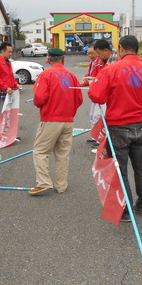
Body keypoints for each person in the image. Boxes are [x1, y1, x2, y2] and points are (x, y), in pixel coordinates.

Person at [88, 35, 142, 222]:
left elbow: (96, 96)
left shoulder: (111, 70)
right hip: (140, 126)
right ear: (137, 50)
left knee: (120, 170)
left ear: (120, 48)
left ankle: (126, 210)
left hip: (118, 126)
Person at [29, 48, 84, 195]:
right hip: (68, 120)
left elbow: (39, 98)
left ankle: (44, 182)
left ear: (48, 59)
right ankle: (61, 185)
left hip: (51, 119)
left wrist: (40, 104)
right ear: (63, 59)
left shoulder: (46, 74)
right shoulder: (72, 76)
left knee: (40, 151)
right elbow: (79, 99)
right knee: (62, 154)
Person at [0, 42, 22, 113]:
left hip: (10, 91)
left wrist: (16, 84)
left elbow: (11, 76)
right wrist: (6, 88)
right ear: (3, 51)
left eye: (11, 52)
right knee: (4, 115)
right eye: (9, 52)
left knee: (10, 114)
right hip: (3, 91)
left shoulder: (8, 62)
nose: (10, 54)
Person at [80, 44, 100, 143]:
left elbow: (97, 77)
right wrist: (85, 79)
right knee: (92, 115)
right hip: (94, 92)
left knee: (97, 116)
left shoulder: (100, 63)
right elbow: (90, 75)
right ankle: (94, 136)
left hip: (100, 92)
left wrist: (85, 82)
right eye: (88, 53)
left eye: (92, 53)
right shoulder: (92, 62)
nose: (90, 55)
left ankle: (99, 139)